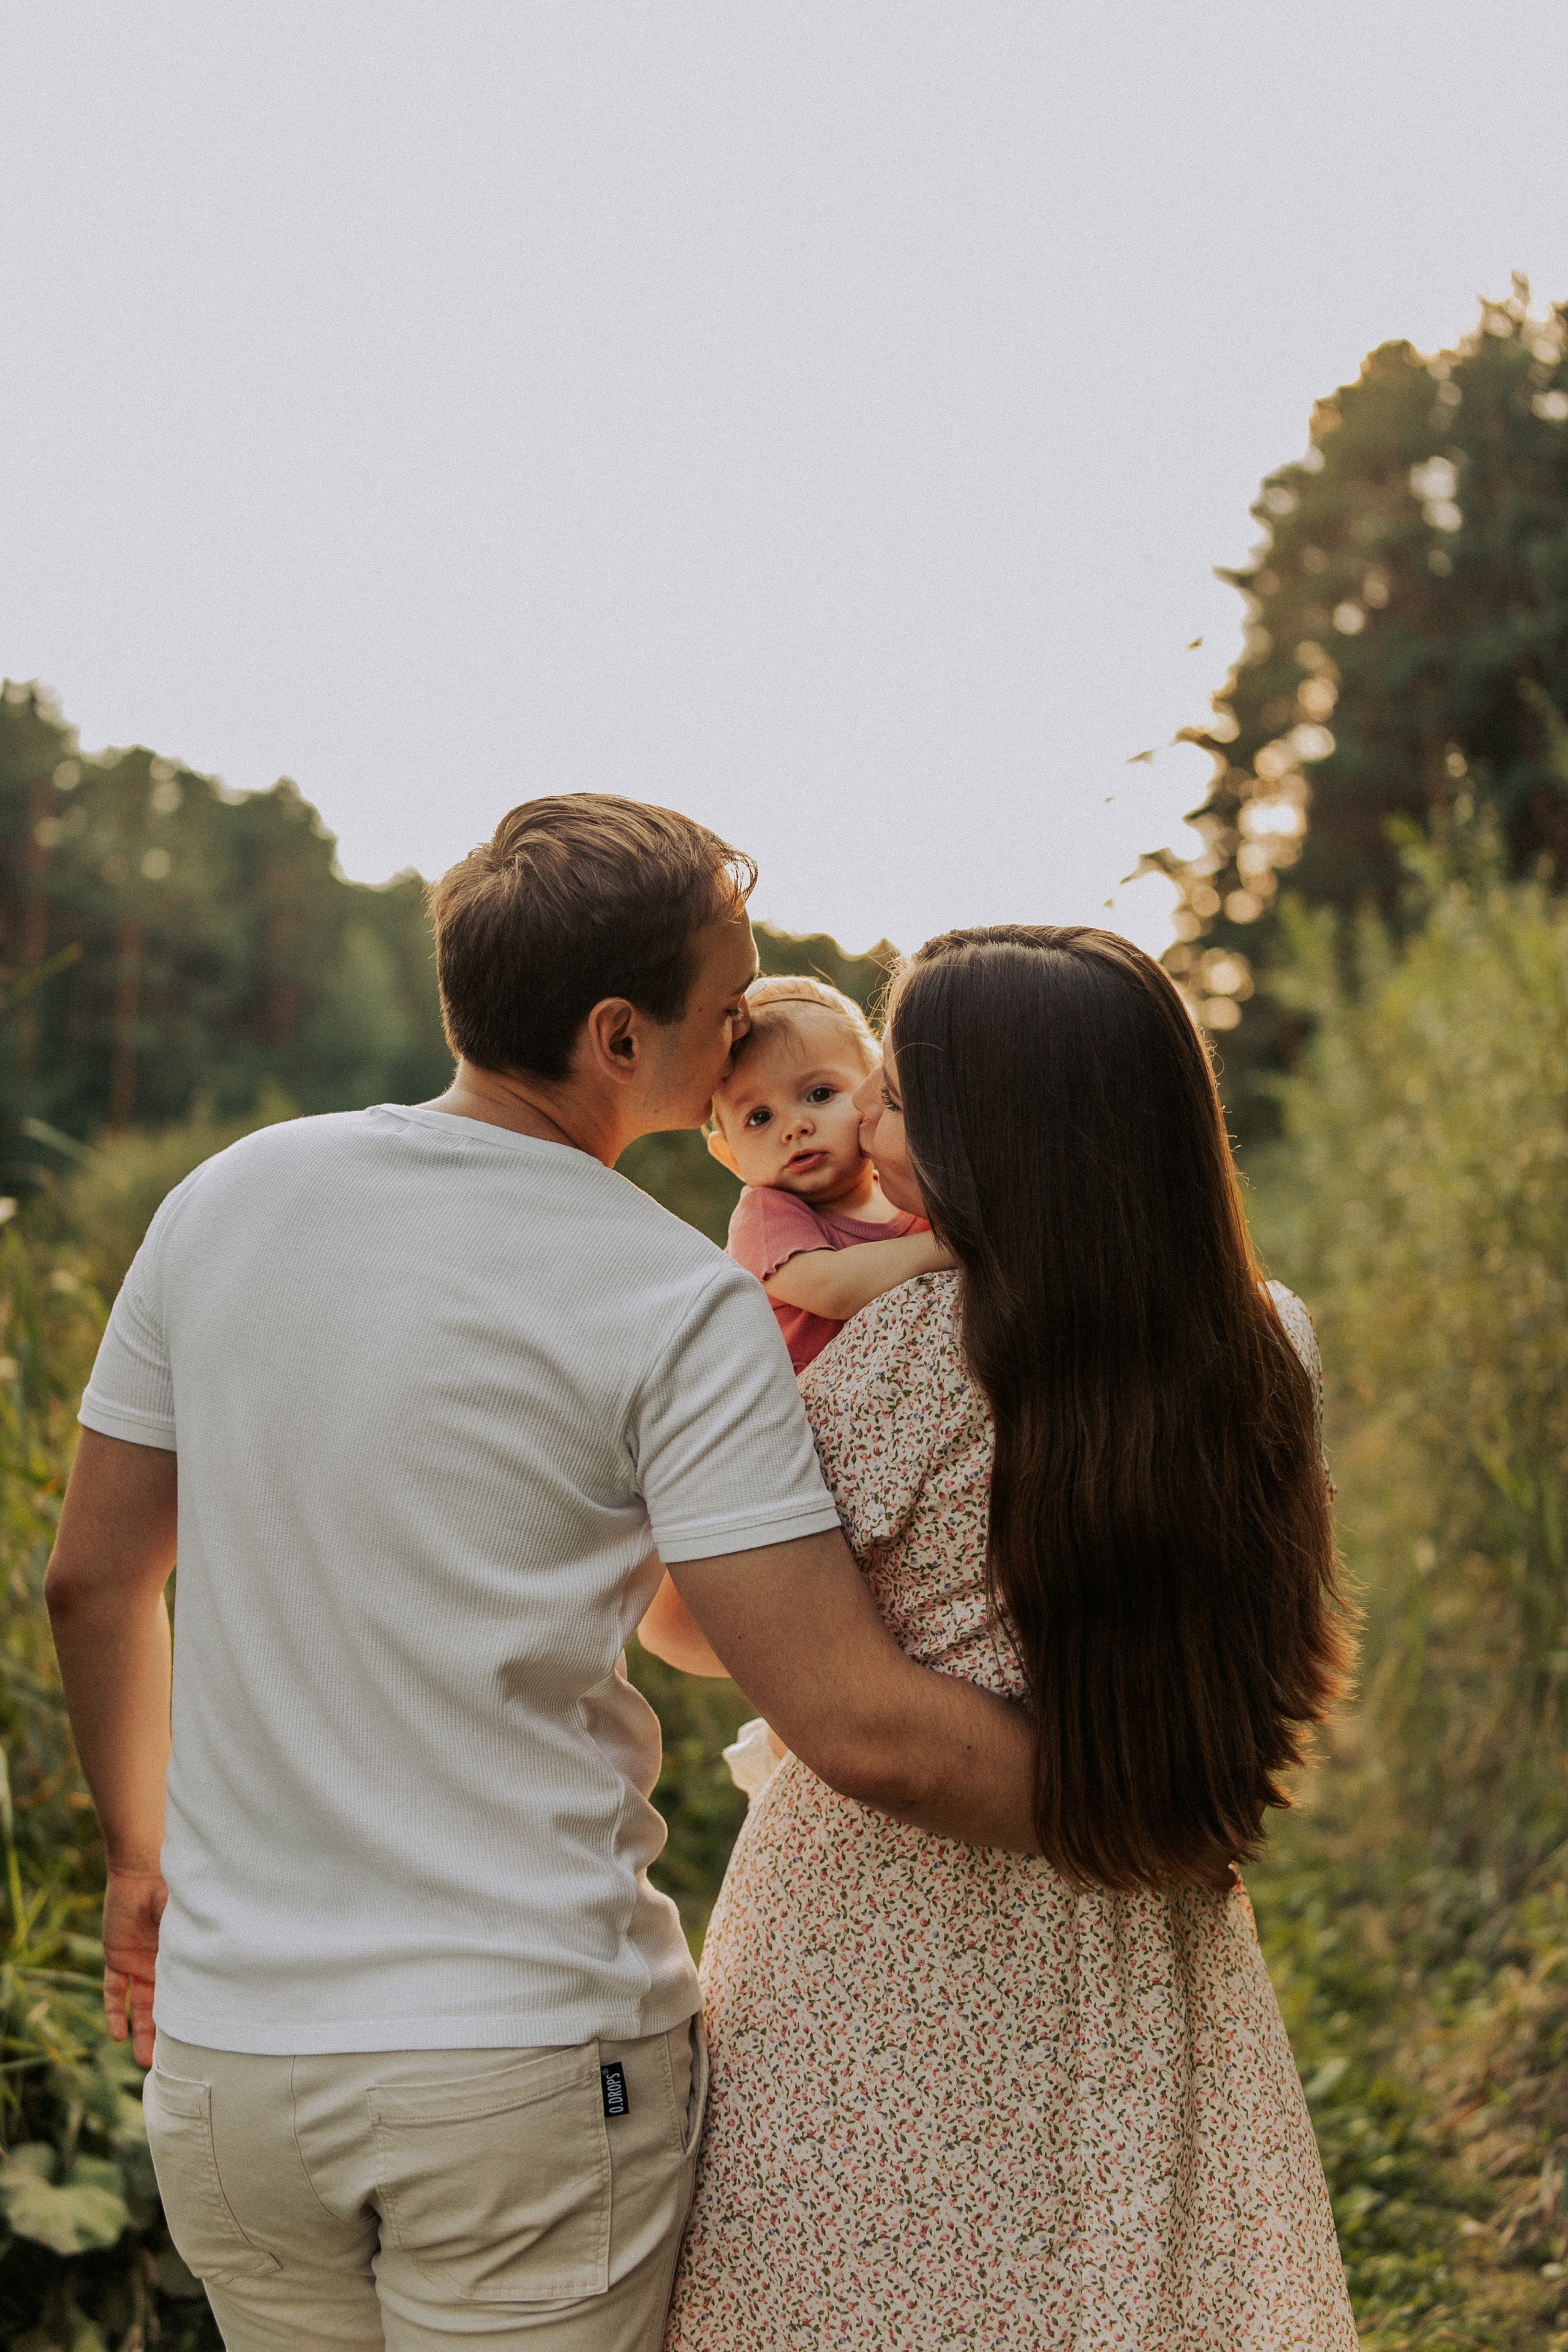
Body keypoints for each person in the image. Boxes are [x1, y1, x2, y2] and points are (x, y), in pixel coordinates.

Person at [43, 802, 1038, 2352]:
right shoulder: (669, 1292)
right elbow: (853, 1724)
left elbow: (96, 1583)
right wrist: (1143, 1786)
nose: (745, 1030)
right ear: (617, 1035)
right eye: (725, 1005)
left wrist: (139, 1855)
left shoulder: (223, 1200)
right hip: (522, 2066)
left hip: (232, 2061)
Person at [649, 924, 1360, 2351]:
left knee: (867, 2293)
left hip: (879, 1936)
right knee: (1117, 2282)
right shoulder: (1263, 1335)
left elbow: (692, 1625)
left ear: (1000, 1139)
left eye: (893, 1098)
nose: (856, 1128)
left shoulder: (907, 1348)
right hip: (1137, 1900)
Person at [707, 976, 952, 1374]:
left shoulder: (909, 1192)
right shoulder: (767, 1216)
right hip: (820, 1425)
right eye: (759, 1118)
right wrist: (957, 1244)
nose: (795, 1127)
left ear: (877, 1093)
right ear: (730, 1156)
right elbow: (834, 1289)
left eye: (820, 1094)